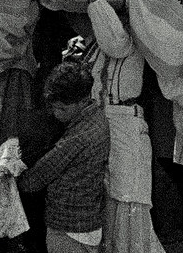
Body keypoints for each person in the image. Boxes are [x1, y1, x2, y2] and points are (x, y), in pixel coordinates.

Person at [70, 0, 163, 253]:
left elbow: (116, 43)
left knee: (127, 199)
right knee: (110, 198)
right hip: (104, 123)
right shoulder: (96, 42)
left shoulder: (131, 37)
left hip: (125, 124)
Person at [18, 61, 113, 253]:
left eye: (61, 108)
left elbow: (34, 180)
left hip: (67, 228)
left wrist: (12, 172)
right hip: (87, 223)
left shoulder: (79, 137)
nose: (56, 114)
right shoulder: (97, 118)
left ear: (83, 100)